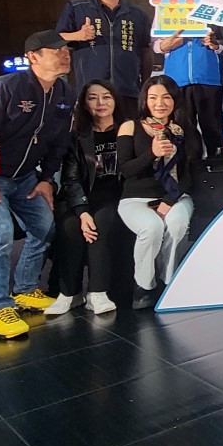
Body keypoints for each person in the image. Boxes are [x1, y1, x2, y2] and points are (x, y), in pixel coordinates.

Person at [0, 30, 73, 338]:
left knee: (44, 228)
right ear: (33, 57)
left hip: (25, 177)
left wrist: (46, 179)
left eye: (67, 50)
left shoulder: (64, 93)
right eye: (56, 50)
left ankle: (24, 289)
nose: (65, 54)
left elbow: (59, 142)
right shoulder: (4, 88)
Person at [47, 80, 128, 316]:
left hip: (116, 197)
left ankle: (97, 292)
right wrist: (82, 211)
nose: (100, 103)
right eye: (93, 97)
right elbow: (71, 179)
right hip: (82, 198)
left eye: (106, 96)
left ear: (115, 101)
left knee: (101, 223)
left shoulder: (127, 130)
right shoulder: (77, 137)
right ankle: (69, 293)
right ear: (84, 104)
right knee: (70, 225)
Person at [117, 75, 198, 310]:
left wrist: (170, 200)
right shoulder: (130, 126)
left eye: (166, 97)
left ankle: (169, 280)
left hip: (175, 196)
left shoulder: (183, 130)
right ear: (145, 100)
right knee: (151, 227)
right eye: (153, 98)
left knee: (177, 224)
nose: (160, 103)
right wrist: (151, 153)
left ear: (175, 100)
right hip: (135, 198)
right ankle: (143, 286)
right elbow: (125, 170)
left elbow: (190, 173)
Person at [155, 0, 223, 157]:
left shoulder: (216, 4)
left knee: (213, 131)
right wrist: (165, 45)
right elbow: (155, 43)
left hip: (209, 77)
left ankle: (217, 169)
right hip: (176, 80)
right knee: (182, 132)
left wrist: (215, 44)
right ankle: (186, 171)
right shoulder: (166, 5)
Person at [56, 0, 152, 100]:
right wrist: (78, 35)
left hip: (128, 91)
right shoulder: (76, 8)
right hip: (90, 91)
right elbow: (56, 40)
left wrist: (145, 86)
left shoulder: (137, 13)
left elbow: (145, 50)